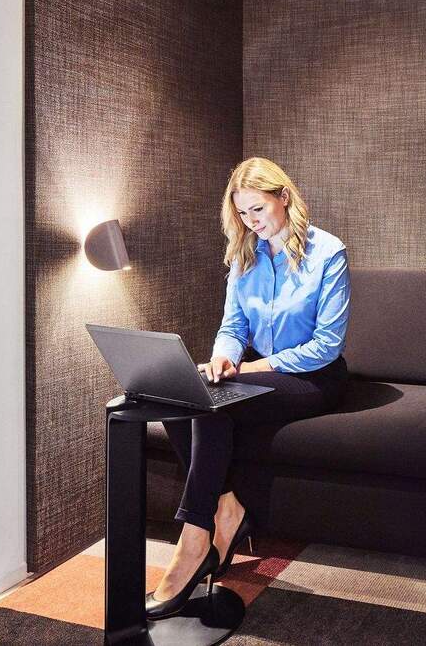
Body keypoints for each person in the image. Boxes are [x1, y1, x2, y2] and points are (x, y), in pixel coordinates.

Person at [145, 157, 351, 618]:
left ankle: (193, 543)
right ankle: (227, 508)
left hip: (313, 376)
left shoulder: (328, 252)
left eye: (258, 209)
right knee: (186, 395)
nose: (251, 221)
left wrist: (253, 368)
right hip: (258, 371)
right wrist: (224, 356)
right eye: (242, 212)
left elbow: (326, 345)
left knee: (215, 407)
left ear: (284, 198)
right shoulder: (244, 254)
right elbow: (234, 326)